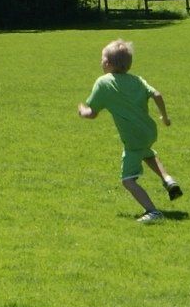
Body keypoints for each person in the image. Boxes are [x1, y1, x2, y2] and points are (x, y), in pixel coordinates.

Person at [78, 39, 183, 222]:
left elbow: (92, 114)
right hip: (149, 132)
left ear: (107, 63)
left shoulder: (103, 83)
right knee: (146, 153)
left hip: (133, 138)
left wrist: (82, 110)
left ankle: (153, 212)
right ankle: (168, 179)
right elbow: (157, 94)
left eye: (102, 59)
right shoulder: (137, 80)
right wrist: (165, 118)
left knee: (127, 180)